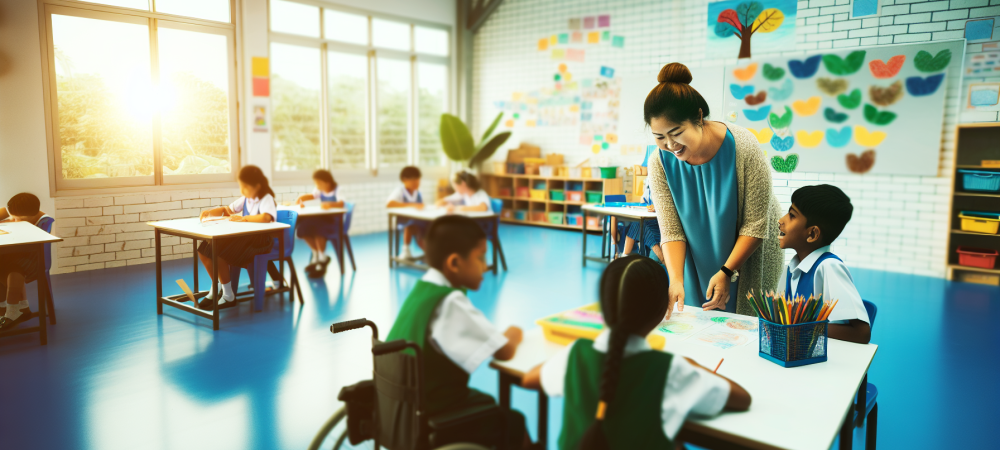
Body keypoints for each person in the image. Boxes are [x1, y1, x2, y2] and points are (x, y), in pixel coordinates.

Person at [522, 256, 751, 449]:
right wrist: (692, 367)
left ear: (604, 306)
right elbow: (742, 399)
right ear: (661, 310)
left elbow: (529, 379)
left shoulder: (576, 354)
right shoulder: (670, 370)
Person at [644, 62, 783, 317]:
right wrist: (676, 279)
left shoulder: (743, 146)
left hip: (746, 253)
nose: (670, 145)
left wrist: (727, 272)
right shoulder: (659, 162)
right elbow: (671, 230)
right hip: (695, 255)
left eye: (676, 132)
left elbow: (755, 225)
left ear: (698, 118)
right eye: (659, 137)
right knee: (696, 320)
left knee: (743, 323)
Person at [385, 215, 529, 449]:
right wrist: (514, 332)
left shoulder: (423, 288)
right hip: (433, 410)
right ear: (454, 263)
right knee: (513, 421)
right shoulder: (450, 301)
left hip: (399, 406)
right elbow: (504, 351)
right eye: (480, 257)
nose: (485, 266)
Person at [777, 184, 871, 344]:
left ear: (812, 234)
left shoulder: (828, 267)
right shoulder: (791, 268)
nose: (781, 221)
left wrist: (803, 328)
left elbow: (861, 333)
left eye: (792, 215)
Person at [195, 165, 277, 311]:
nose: (242, 190)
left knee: (218, 250)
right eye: (241, 186)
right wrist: (210, 212)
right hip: (244, 239)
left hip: (259, 242)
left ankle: (228, 296)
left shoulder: (266, 198)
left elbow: (266, 217)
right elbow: (228, 210)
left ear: (257, 186)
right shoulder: (246, 199)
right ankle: (217, 287)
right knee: (203, 249)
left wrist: (244, 218)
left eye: (245, 186)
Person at [0, 193, 52, 330]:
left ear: (32, 214)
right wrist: (6, 213)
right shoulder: (30, 215)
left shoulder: (42, 221)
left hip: (35, 260)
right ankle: (13, 308)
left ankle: (12, 311)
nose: (15, 221)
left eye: (20, 219)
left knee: (12, 268)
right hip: (24, 257)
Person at [294, 169, 345, 275]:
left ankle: (322, 258)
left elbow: (342, 203)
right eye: (315, 183)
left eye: (319, 183)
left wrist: (330, 204)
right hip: (322, 219)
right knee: (302, 227)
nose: (317, 185)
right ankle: (316, 254)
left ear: (327, 182)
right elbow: (312, 195)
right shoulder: (320, 190)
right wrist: (301, 198)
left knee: (317, 229)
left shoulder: (338, 190)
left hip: (334, 222)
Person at [617, 178, 664, 262]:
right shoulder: (649, 182)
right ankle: (624, 255)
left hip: (661, 224)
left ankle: (624, 256)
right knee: (638, 223)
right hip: (654, 222)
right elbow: (643, 200)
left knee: (640, 224)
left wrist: (658, 207)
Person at [386, 166, 426, 260]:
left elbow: (422, 206)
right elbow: (389, 204)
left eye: (418, 179)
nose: (416, 182)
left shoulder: (418, 193)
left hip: (419, 220)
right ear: (404, 180)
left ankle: (430, 252)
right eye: (413, 180)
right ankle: (406, 250)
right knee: (411, 225)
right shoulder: (400, 191)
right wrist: (412, 205)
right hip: (404, 221)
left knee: (429, 227)